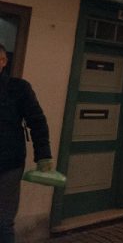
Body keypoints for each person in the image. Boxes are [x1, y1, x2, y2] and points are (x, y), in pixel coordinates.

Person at [0, 43, 52, 243]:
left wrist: (44, 156)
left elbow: (37, 121)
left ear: (3, 61)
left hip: (8, 163)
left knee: (2, 221)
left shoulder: (18, 88)